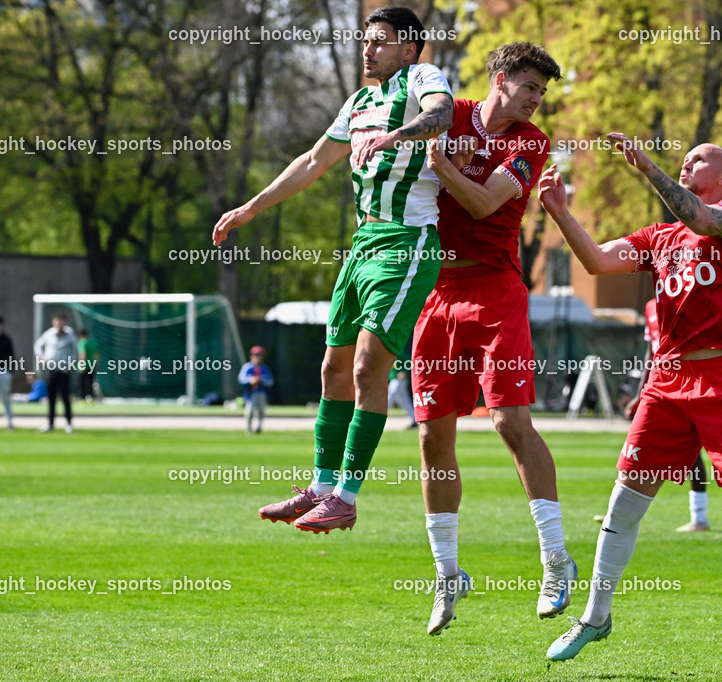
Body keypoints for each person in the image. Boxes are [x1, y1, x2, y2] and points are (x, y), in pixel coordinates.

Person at [538, 135, 722, 682]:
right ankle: (595, 617)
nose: (688, 161)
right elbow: (597, 261)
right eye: (684, 158)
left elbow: (701, 219)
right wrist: (560, 214)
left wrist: (648, 169)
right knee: (623, 503)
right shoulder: (658, 237)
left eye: (700, 158)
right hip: (668, 380)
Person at [211, 6, 453, 533]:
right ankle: (321, 488)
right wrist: (251, 208)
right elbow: (313, 161)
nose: (368, 49)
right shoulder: (360, 101)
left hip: (407, 242)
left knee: (368, 366)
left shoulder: (422, 77)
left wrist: (396, 136)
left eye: (381, 40)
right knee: (333, 369)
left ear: (409, 48)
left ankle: (346, 496)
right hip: (363, 244)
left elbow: (441, 115)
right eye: (366, 40)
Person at [412, 42, 575, 634]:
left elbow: (483, 205)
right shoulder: (448, 113)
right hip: (436, 291)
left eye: (542, 92)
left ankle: (555, 558)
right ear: (500, 79)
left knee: (509, 421)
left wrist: (443, 166)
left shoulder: (530, 142)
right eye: (530, 86)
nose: (536, 100)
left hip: (495, 290)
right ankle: (446, 573)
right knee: (431, 436)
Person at [624, 298, 710, 532]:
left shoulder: (687, 298)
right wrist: (640, 393)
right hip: (658, 388)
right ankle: (622, 512)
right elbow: (650, 354)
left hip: (688, 384)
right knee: (636, 450)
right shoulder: (650, 306)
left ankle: (700, 517)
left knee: (695, 453)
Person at [34, 313, 78, 433]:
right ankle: (50, 423)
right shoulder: (49, 334)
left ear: (65, 322)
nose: (59, 323)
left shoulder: (70, 334)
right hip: (51, 370)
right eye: (57, 321)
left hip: (64, 371)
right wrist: (41, 357)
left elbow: (75, 351)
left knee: (65, 398)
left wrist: (70, 364)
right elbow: (38, 346)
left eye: (61, 321)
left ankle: (68, 423)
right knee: (51, 398)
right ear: (53, 322)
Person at [238, 346, 274, 434]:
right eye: (255, 355)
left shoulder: (264, 368)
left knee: (261, 412)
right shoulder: (247, 367)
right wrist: (250, 380)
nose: (257, 358)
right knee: (249, 411)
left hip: (261, 393)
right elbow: (241, 379)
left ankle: (259, 428)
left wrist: (261, 380)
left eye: (259, 356)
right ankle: (248, 429)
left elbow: (270, 381)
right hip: (251, 393)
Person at [77, 329, 100, 402]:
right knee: (90, 382)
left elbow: (82, 354)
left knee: (82, 383)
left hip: (85, 365)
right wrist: (96, 364)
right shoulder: (93, 342)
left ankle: (82, 399)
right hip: (92, 365)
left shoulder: (82, 342)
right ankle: (91, 398)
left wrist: (82, 365)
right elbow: (96, 355)